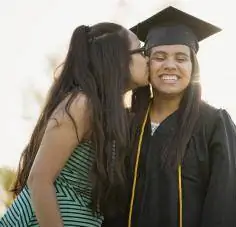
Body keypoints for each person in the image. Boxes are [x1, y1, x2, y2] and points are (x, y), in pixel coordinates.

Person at [0, 22, 149, 227]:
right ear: (118, 59)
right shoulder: (82, 104)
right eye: (141, 51)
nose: (148, 57)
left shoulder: (110, 114)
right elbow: (39, 180)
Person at [128, 6, 236, 227]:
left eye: (181, 58)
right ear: (147, 65)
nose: (170, 65)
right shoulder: (126, 125)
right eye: (159, 57)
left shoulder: (214, 125)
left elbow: (227, 206)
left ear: (193, 67)